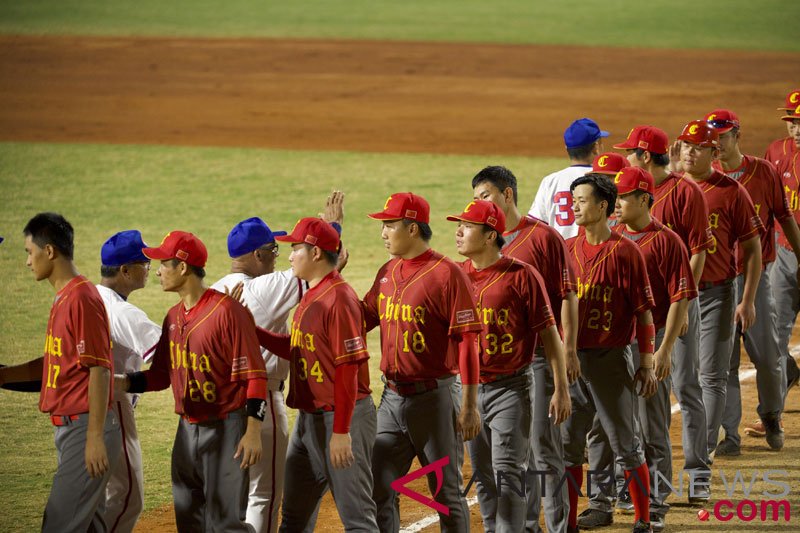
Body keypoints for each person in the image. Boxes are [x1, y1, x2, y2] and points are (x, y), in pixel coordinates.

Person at [115, 230, 267, 532]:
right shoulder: (173, 317)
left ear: (183, 267)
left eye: (163, 263)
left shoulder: (227, 312)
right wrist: (120, 382)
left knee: (226, 524)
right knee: (189, 519)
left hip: (227, 428)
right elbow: (160, 376)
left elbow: (255, 375)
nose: (156, 271)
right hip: (186, 431)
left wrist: (252, 431)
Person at [448, 199, 571, 532]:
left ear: (490, 235)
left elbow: (550, 335)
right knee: (484, 475)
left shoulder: (522, 275)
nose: (458, 232)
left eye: (467, 226)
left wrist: (561, 388)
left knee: (509, 474)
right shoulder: (455, 275)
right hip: (468, 392)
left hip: (511, 389)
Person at [363, 192, 482, 532]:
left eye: (390, 224)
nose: (383, 232)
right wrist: (331, 279)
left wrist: (469, 405)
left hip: (435, 400)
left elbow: (468, 342)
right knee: (378, 486)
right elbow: (364, 316)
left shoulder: (446, 274)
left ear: (413, 228)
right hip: (390, 399)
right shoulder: (388, 271)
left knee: (446, 495)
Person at [252, 217, 379, 532]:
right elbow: (298, 349)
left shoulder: (340, 299)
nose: (290, 255)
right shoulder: (312, 292)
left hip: (342, 419)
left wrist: (341, 431)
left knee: (358, 521)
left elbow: (349, 369)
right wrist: (254, 333)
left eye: (296, 248)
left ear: (317, 254)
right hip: (309, 422)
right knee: (293, 519)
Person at [0, 212, 121, 532]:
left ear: (49, 251)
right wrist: (4, 375)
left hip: (84, 428)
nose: (27, 262)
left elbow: (100, 368)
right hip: (73, 429)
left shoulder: (81, 297)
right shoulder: (65, 296)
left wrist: (94, 436)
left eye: (29, 252)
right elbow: (58, 364)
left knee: (58, 524)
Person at [615, 124, 712, 502]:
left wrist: (683, 303)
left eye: (629, 152)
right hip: (645, 317)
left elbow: (699, 250)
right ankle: (640, 485)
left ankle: (697, 475)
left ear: (643, 155)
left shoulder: (686, 192)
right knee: (633, 404)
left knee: (686, 387)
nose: (625, 157)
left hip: (679, 304)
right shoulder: (622, 213)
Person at [559, 175, 657, 533]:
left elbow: (644, 311)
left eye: (582, 200)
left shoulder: (626, 252)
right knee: (569, 447)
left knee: (626, 444)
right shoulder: (566, 250)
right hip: (571, 364)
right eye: (573, 200)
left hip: (610, 361)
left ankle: (644, 518)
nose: (575, 206)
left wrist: (646, 362)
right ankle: (567, 522)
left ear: (603, 206)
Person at [704, 109, 800, 454]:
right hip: (717, 281)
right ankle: (730, 434)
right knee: (722, 361)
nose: (716, 143)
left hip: (756, 278)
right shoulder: (703, 177)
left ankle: (771, 413)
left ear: (737, 135)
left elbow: (786, 219)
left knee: (768, 355)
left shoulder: (764, 171)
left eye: (723, 136)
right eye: (711, 137)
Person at [612, 167, 697, 531]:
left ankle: (658, 496)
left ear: (644, 199)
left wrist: (663, 351)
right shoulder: (613, 235)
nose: (616, 204)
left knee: (652, 423)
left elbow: (680, 298)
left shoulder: (668, 241)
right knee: (617, 422)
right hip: (617, 342)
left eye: (623, 197)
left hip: (653, 337)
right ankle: (625, 488)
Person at [676, 120, 764, 462]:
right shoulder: (668, 190)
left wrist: (748, 299)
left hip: (716, 295)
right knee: (678, 375)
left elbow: (753, 248)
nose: (689, 152)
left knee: (711, 374)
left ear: (714, 152)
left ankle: (705, 447)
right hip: (674, 299)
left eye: (697, 147)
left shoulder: (730, 191)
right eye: (685, 145)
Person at [97, 230, 162, 533]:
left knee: (93, 496)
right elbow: (173, 355)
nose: (150, 266)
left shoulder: (91, 296)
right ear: (125, 271)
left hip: (78, 407)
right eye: (144, 261)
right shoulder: (123, 313)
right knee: (127, 497)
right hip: (112, 404)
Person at [760, 91, 800, 440]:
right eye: (792, 121)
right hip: (784, 252)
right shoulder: (775, 151)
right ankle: (773, 412)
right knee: (776, 334)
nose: (796, 128)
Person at [530, 118, 610, 239]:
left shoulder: (550, 181)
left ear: (567, 149)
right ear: (596, 147)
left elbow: (536, 227)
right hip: (596, 251)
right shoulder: (604, 180)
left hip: (560, 254)